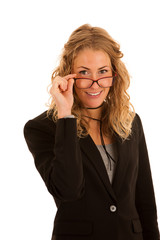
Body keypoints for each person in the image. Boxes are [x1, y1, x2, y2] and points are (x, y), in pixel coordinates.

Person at [24, 24, 159, 240]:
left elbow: (145, 200)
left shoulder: (130, 122)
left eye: (103, 72)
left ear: (114, 75)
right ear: (69, 75)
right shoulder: (43, 128)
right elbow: (68, 191)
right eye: (84, 73)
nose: (94, 83)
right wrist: (66, 115)